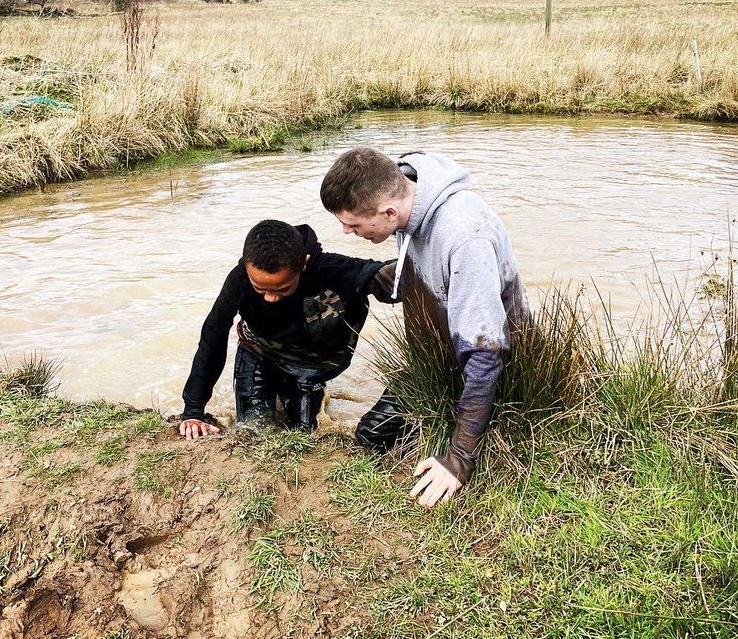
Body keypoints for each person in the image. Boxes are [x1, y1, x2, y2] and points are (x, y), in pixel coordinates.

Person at [320, 148, 528, 509]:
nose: (345, 231)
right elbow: (407, 279)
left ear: (388, 212)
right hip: (435, 362)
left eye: (352, 224)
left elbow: (485, 356)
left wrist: (459, 459)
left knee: (378, 437)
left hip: (488, 368)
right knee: (370, 436)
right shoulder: (407, 201)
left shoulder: (464, 237)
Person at [179, 219, 394, 438]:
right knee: (253, 430)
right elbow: (213, 335)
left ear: (304, 263)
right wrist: (193, 410)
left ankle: (312, 392)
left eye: (283, 288)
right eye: (260, 289)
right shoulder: (239, 279)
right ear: (246, 266)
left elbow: (397, 275)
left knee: (303, 432)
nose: (271, 298)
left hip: (311, 365)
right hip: (259, 351)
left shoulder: (336, 271)